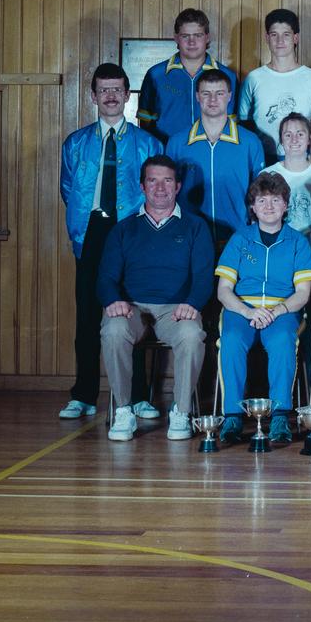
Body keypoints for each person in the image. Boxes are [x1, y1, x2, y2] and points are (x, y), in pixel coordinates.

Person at [59, 64, 163, 420]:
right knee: (88, 314)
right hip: (91, 231)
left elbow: (156, 191)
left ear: (127, 94)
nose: (111, 96)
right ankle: (84, 394)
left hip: (131, 233)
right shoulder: (75, 143)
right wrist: (88, 221)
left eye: (117, 89)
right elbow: (68, 189)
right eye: (104, 90)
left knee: (131, 312)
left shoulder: (147, 143)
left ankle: (138, 397)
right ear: (93, 96)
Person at [97, 156, 215, 442]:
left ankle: (181, 412)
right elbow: (105, 277)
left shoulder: (196, 226)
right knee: (113, 330)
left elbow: (204, 276)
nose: (160, 188)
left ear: (178, 186)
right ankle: (123, 411)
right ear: (142, 186)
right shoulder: (124, 229)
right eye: (153, 180)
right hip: (132, 309)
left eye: (167, 181)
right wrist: (113, 300)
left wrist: (193, 303)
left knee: (191, 335)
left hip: (176, 310)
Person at [214, 173, 311, 444]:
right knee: (231, 339)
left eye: (275, 200)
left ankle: (280, 416)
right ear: (253, 206)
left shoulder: (297, 241)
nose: (268, 206)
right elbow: (224, 290)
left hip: (282, 310)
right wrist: (248, 311)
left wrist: (277, 311)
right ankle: (232, 417)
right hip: (242, 309)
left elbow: (303, 293)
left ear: (285, 205)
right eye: (262, 200)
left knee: (283, 340)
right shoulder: (240, 239)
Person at [165, 68, 266, 249]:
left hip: (238, 238)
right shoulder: (177, 143)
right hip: (189, 239)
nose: (212, 100)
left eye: (219, 93)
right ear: (197, 96)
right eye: (206, 93)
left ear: (229, 96)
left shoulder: (250, 142)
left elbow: (261, 193)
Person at [237, 8, 311, 165]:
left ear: (295, 38)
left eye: (286, 34)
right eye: (274, 34)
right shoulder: (253, 79)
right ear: (267, 38)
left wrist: (310, 149)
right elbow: (244, 121)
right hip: (263, 158)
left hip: (300, 158)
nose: (280, 41)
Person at [138, 8, 237, 144]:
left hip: (213, 151)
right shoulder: (156, 75)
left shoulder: (228, 76)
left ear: (207, 37)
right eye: (185, 36)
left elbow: (233, 122)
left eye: (198, 35)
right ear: (176, 38)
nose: (192, 42)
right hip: (167, 152)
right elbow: (145, 122)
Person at [267, 112, 311, 256]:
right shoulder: (268, 175)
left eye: (300, 134)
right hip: (277, 252)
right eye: (288, 135)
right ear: (281, 140)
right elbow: (256, 220)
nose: (294, 140)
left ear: (310, 139)